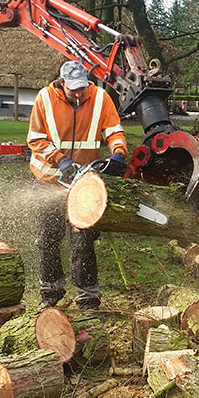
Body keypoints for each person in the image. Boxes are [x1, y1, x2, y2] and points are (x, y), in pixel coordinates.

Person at [27, 60, 128, 309]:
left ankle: (87, 296)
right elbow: (36, 138)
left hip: (84, 183)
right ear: (62, 84)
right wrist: (60, 159)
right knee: (48, 239)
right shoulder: (45, 98)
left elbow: (114, 130)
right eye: (74, 89)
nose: (80, 94)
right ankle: (50, 292)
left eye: (83, 88)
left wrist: (118, 152)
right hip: (48, 180)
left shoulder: (101, 98)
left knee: (83, 240)